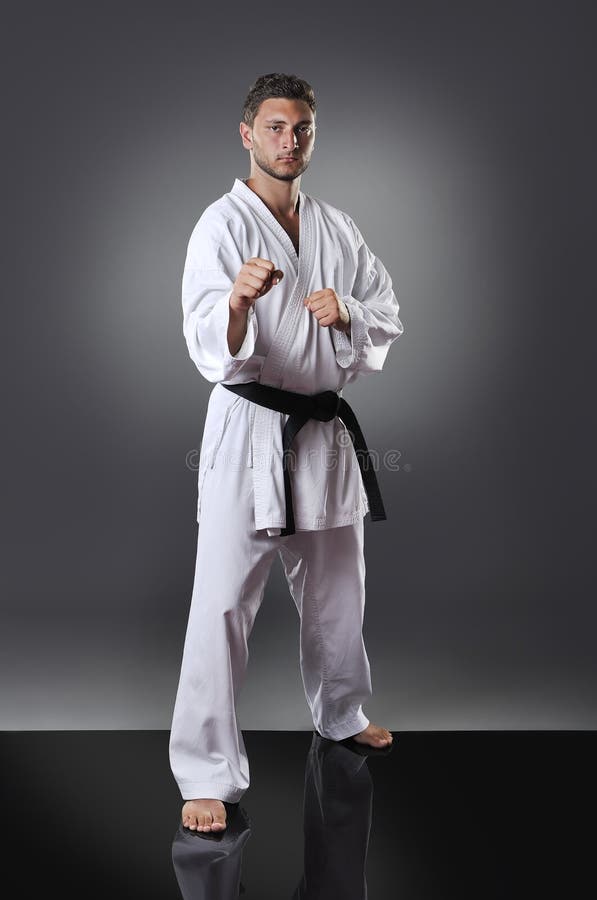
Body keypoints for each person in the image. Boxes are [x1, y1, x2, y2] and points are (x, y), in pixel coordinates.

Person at [169, 73, 404, 833]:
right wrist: (236, 301)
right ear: (246, 134)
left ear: (312, 135)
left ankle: (341, 712)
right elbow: (206, 341)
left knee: (339, 589)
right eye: (274, 128)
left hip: (323, 426)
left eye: (300, 128)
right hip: (247, 429)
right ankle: (205, 772)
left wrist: (351, 313)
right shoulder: (220, 225)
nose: (288, 141)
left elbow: (386, 310)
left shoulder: (337, 227)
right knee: (223, 603)